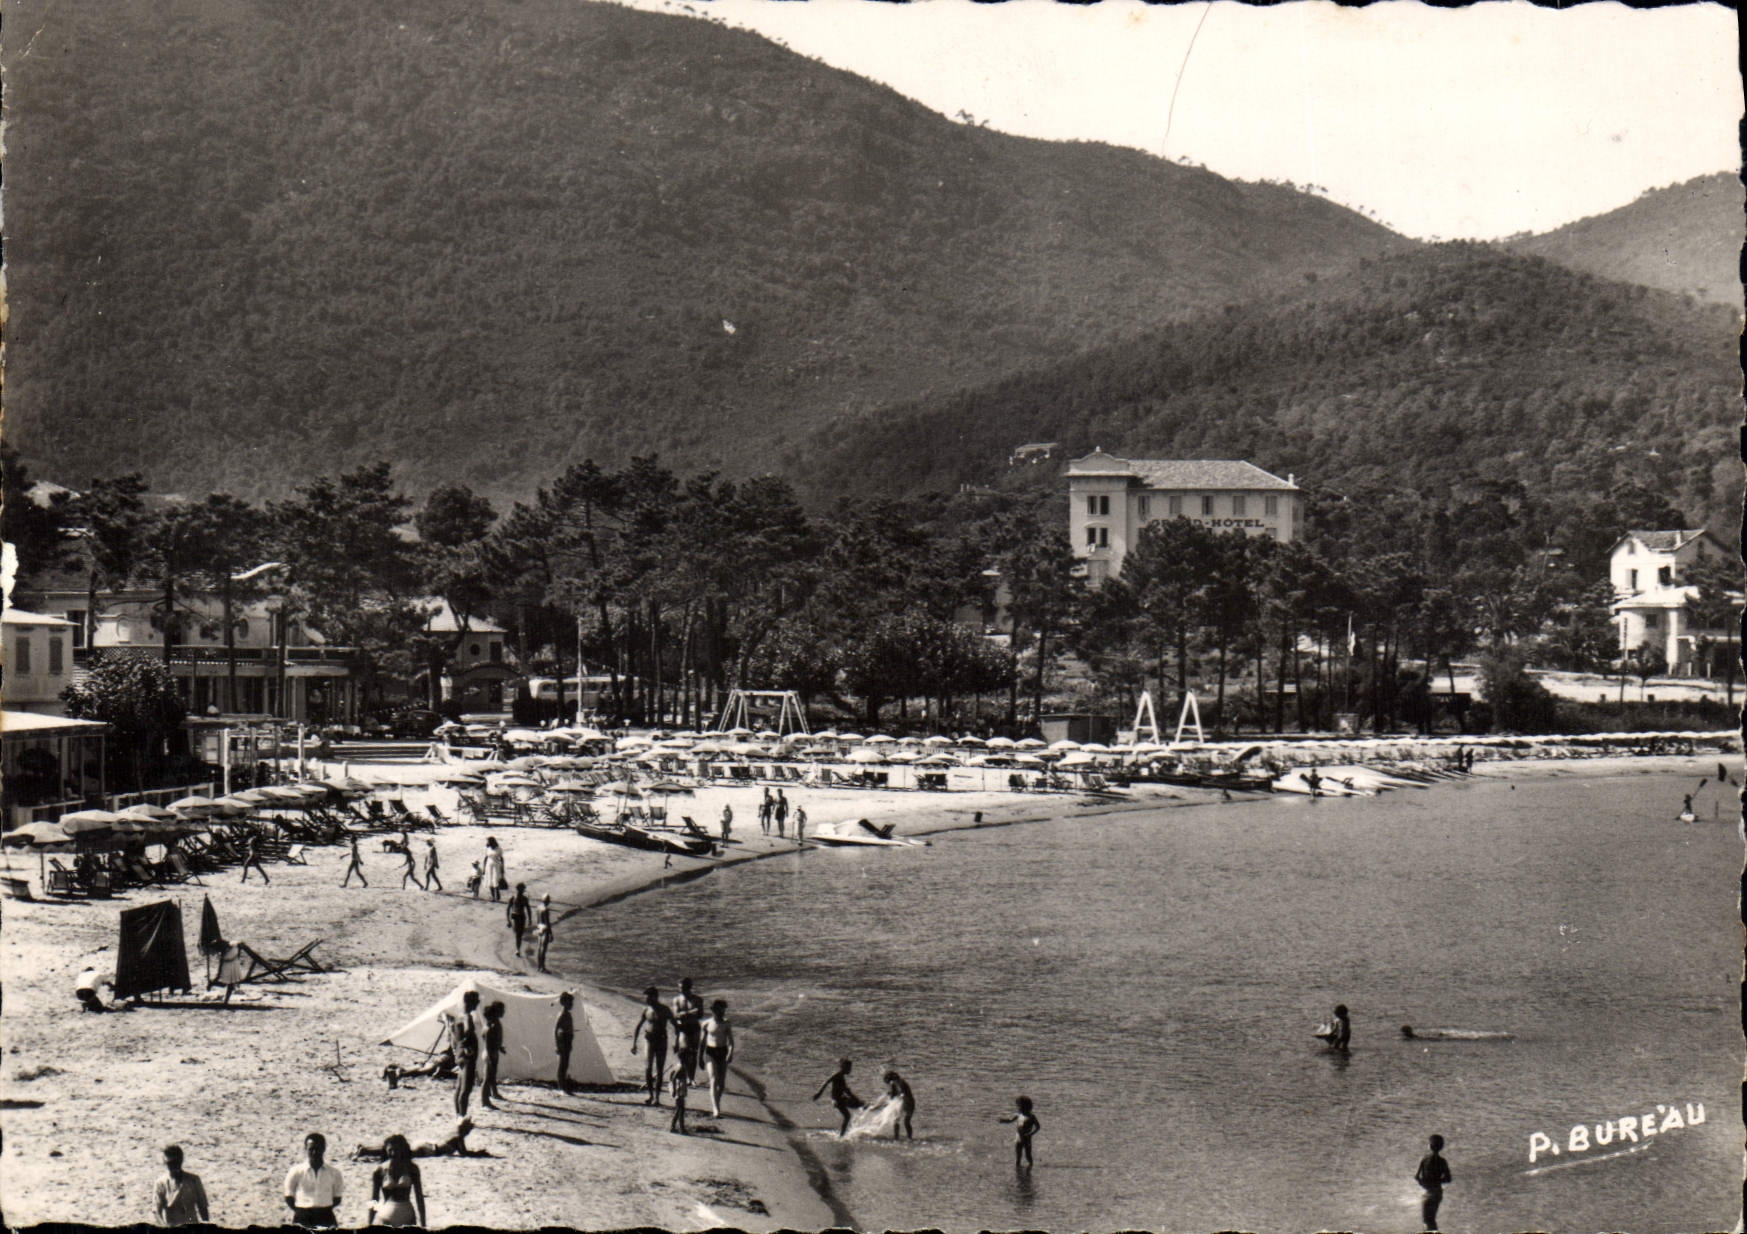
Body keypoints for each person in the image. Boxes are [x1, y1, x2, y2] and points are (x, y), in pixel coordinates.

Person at [283, 1131, 344, 1227]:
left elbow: (337, 1198)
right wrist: (301, 1211)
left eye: (318, 1149)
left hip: (326, 1216)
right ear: (305, 1149)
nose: (314, 1153)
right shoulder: (296, 1171)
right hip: (303, 1216)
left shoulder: (334, 1173)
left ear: (324, 1149)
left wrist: (323, 1208)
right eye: (311, 1149)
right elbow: (288, 1196)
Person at [367, 1134, 426, 1227]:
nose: (393, 1153)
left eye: (397, 1150)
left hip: (408, 1216)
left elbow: (419, 1198)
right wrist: (369, 1223)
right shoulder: (379, 1170)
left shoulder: (412, 1168)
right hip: (385, 1216)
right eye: (390, 1150)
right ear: (385, 1150)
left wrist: (423, 1224)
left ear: (403, 1150)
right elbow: (374, 1199)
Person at [353, 1119, 481, 1160]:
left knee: (397, 1150)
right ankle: (365, 1151)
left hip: (426, 1144)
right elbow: (464, 1153)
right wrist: (479, 1153)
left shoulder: (454, 1133)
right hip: (428, 1150)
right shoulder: (458, 1138)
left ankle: (366, 1149)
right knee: (400, 1153)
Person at [632, 987, 672, 1106]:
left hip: (661, 1040)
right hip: (649, 1039)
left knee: (660, 1069)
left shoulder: (665, 1010)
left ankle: (657, 1097)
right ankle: (650, 1095)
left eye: (648, 997)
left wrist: (678, 1042)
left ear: (655, 997)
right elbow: (638, 1026)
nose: (646, 1000)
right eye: (646, 997)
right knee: (648, 1068)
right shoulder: (646, 1010)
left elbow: (675, 1025)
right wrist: (634, 1043)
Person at [153, 1144, 210, 1227]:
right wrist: (164, 1227)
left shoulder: (194, 1180)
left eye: (176, 1162)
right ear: (165, 1163)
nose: (174, 1166)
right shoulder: (161, 1183)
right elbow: (156, 1211)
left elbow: (202, 1207)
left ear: (181, 1160)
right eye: (170, 1163)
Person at [812, 1058, 863, 1137]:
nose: (850, 1070)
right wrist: (819, 1093)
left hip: (842, 1098)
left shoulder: (842, 1077)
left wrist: (856, 1099)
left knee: (858, 1105)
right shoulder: (837, 1075)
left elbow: (846, 1091)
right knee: (847, 1116)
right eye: (849, 1068)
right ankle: (841, 1136)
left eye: (850, 1068)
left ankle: (856, 1126)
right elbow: (827, 1081)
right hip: (837, 1100)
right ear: (843, 1067)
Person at [701, 999, 734, 1117]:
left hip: (722, 1052)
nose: (722, 1012)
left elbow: (730, 1042)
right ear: (713, 1010)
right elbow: (702, 1042)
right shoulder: (707, 1023)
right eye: (719, 1010)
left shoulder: (726, 1023)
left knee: (721, 1084)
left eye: (723, 1010)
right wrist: (700, 1057)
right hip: (710, 1052)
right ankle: (716, 1109)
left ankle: (716, 1103)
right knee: (714, 1079)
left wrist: (730, 1053)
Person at [1415, 1133, 1453, 1230]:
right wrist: (1437, 1181)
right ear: (1441, 1147)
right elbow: (1448, 1179)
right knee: (1431, 1220)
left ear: (1429, 1145)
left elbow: (1417, 1177)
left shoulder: (1424, 1159)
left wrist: (1424, 1184)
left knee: (1427, 1220)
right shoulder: (1442, 1161)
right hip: (1437, 1192)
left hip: (1428, 1192)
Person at [452, 992, 481, 1116]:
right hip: (467, 1055)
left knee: (459, 1087)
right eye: (476, 1002)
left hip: (460, 1052)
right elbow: (468, 1030)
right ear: (470, 1003)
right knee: (466, 1088)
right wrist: (468, 1044)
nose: (477, 1004)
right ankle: (462, 1116)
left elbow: (454, 1036)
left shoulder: (458, 1016)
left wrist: (460, 1046)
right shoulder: (467, 1017)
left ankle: (458, 1114)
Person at [671, 978, 703, 1083]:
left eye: (683, 988)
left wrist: (684, 1014)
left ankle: (691, 1078)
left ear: (689, 988)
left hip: (694, 1028)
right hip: (683, 1029)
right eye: (680, 988)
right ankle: (683, 1074)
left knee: (693, 1053)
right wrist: (690, 1013)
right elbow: (675, 1015)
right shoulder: (677, 1000)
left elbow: (700, 1014)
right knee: (683, 1051)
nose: (681, 990)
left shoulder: (697, 999)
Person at [384, 1046, 457, 1089]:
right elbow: (440, 1065)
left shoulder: (451, 1050)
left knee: (420, 1068)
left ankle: (396, 1068)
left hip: (435, 1060)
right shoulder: (453, 1054)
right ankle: (399, 1074)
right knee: (422, 1071)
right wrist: (436, 1073)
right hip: (437, 1063)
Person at [999, 1096, 1040, 1169]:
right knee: (1018, 1155)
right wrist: (1003, 1120)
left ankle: (1030, 1167)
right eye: (1018, 1106)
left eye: (1019, 1106)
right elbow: (1010, 1120)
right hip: (1018, 1138)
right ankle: (1018, 1168)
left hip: (1027, 1138)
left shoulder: (1031, 1116)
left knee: (1028, 1155)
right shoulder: (1018, 1115)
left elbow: (1038, 1127)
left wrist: (1031, 1134)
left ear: (1026, 1106)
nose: (1018, 1108)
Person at [480, 1001, 506, 1110]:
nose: (504, 1012)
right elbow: (488, 1043)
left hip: (493, 1053)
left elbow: (496, 1040)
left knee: (492, 1075)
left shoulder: (496, 1024)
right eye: (502, 1010)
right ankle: (484, 1101)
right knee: (487, 1078)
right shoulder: (491, 1027)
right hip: (489, 1054)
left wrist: (499, 1047)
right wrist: (491, 1056)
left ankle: (493, 1093)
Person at [882, 1070, 916, 1140]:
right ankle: (899, 1137)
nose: (889, 1084)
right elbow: (893, 1095)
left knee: (905, 1121)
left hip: (908, 1102)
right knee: (900, 1120)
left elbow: (904, 1094)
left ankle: (907, 1137)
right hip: (905, 1102)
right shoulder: (895, 1084)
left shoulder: (901, 1083)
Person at [554, 992, 577, 1094]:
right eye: (570, 1002)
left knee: (565, 1063)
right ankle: (561, 1086)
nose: (572, 1004)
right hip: (563, 1039)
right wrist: (557, 1045)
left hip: (567, 1039)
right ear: (564, 1003)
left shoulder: (567, 1014)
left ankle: (563, 1085)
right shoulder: (562, 1014)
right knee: (562, 1064)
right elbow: (555, 1029)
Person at [507, 884, 530, 957]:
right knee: (518, 934)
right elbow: (508, 909)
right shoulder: (513, 898)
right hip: (515, 916)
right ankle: (518, 949)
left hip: (521, 916)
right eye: (522, 890)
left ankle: (518, 948)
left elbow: (528, 909)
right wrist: (508, 920)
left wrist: (530, 919)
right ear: (519, 890)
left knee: (520, 934)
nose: (522, 891)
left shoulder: (524, 898)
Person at [668, 1062, 690, 1134]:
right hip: (679, 1090)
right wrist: (674, 1089)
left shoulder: (680, 1065)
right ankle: (681, 1128)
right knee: (681, 1110)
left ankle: (673, 1126)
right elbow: (673, 1077)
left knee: (679, 1110)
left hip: (680, 1089)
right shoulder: (681, 1066)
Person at [534, 894, 554, 972]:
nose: (549, 901)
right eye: (549, 900)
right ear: (546, 900)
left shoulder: (538, 907)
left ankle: (539, 966)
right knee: (543, 949)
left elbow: (538, 920)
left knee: (539, 948)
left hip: (539, 927)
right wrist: (551, 934)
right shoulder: (545, 909)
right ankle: (542, 967)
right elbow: (547, 922)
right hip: (544, 928)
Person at [483, 838, 505, 903]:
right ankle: (493, 897)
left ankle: (497, 894)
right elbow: (485, 858)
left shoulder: (499, 849)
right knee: (490, 881)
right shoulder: (487, 849)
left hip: (496, 866)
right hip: (488, 866)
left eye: (489, 842)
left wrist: (502, 868)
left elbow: (501, 859)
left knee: (495, 880)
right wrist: (484, 868)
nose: (488, 843)